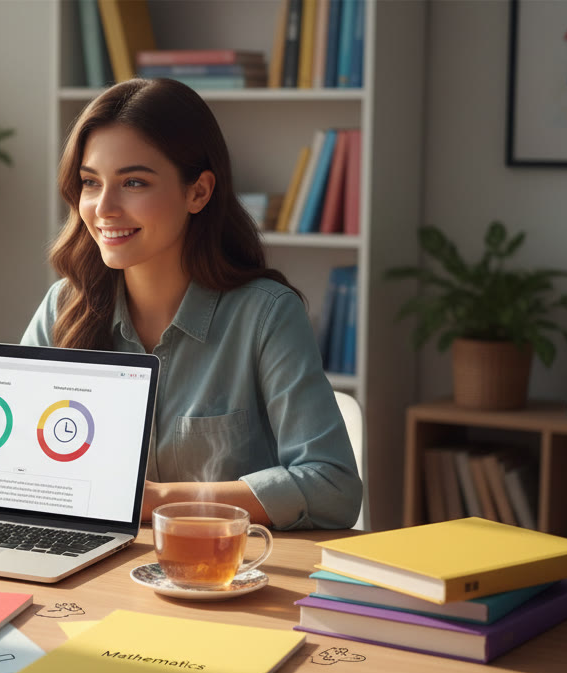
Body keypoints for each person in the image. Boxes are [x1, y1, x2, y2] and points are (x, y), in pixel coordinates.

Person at [20, 78, 361, 530]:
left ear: (198, 192)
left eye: (134, 182)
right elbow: (14, 465)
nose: (104, 207)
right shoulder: (64, 307)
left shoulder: (266, 316)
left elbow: (332, 486)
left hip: (226, 576)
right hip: (93, 571)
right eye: (90, 182)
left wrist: (163, 500)